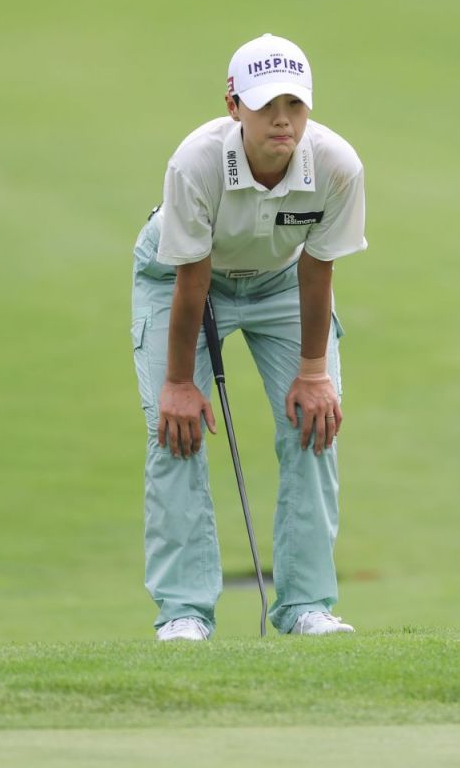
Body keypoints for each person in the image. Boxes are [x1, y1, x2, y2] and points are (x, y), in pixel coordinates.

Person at [130, 34, 367, 641]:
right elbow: (191, 278)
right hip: (181, 279)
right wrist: (178, 384)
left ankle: (306, 605)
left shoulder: (337, 166)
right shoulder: (196, 163)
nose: (282, 120)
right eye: (266, 106)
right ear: (234, 106)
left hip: (282, 282)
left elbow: (318, 270)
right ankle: (184, 612)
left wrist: (313, 375)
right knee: (174, 432)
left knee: (316, 421)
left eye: (295, 104)